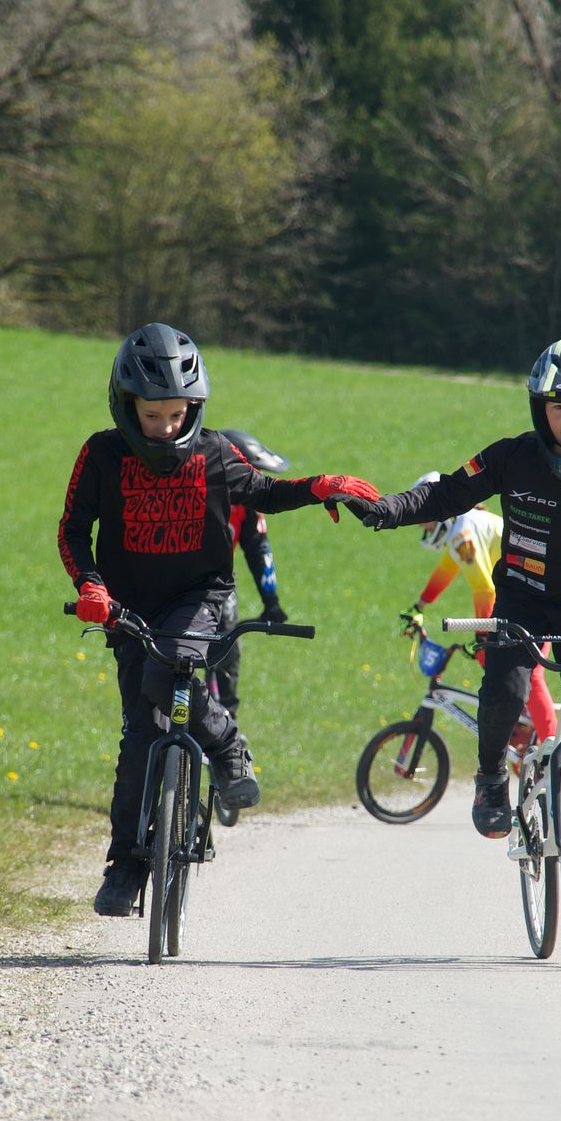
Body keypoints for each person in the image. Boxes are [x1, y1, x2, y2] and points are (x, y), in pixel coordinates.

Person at [348, 336, 561, 889]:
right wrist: (384, 510)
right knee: (507, 687)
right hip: (523, 598)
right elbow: (445, 495)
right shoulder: (511, 456)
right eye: (558, 406)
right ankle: (491, 778)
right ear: (540, 407)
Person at [58, 323, 378, 915]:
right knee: (139, 736)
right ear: (125, 405)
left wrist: (320, 488)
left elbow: (263, 492)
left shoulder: (212, 455)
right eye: (152, 415)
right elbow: (74, 530)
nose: (165, 427)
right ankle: (125, 865)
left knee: (170, 671)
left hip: (198, 596)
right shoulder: (101, 454)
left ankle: (227, 745)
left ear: (195, 406)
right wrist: (91, 586)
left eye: (177, 413)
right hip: (125, 606)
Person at [402, 480, 557, 752]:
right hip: (524, 593)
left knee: (531, 674)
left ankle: (551, 749)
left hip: (538, 594)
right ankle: (523, 724)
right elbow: (446, 571)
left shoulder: (463, 535)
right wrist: (419, 605)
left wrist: (483, 634)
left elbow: (484, 588)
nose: (420, 526)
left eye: (423, 519)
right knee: (503, 665)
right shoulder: (459, 532)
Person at [215, 428, 292, 719]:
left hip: (220, 584)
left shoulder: (246, 505)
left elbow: (259, 549)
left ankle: (226, 723)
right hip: (178, 582)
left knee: (227, 653)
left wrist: (271, 601)